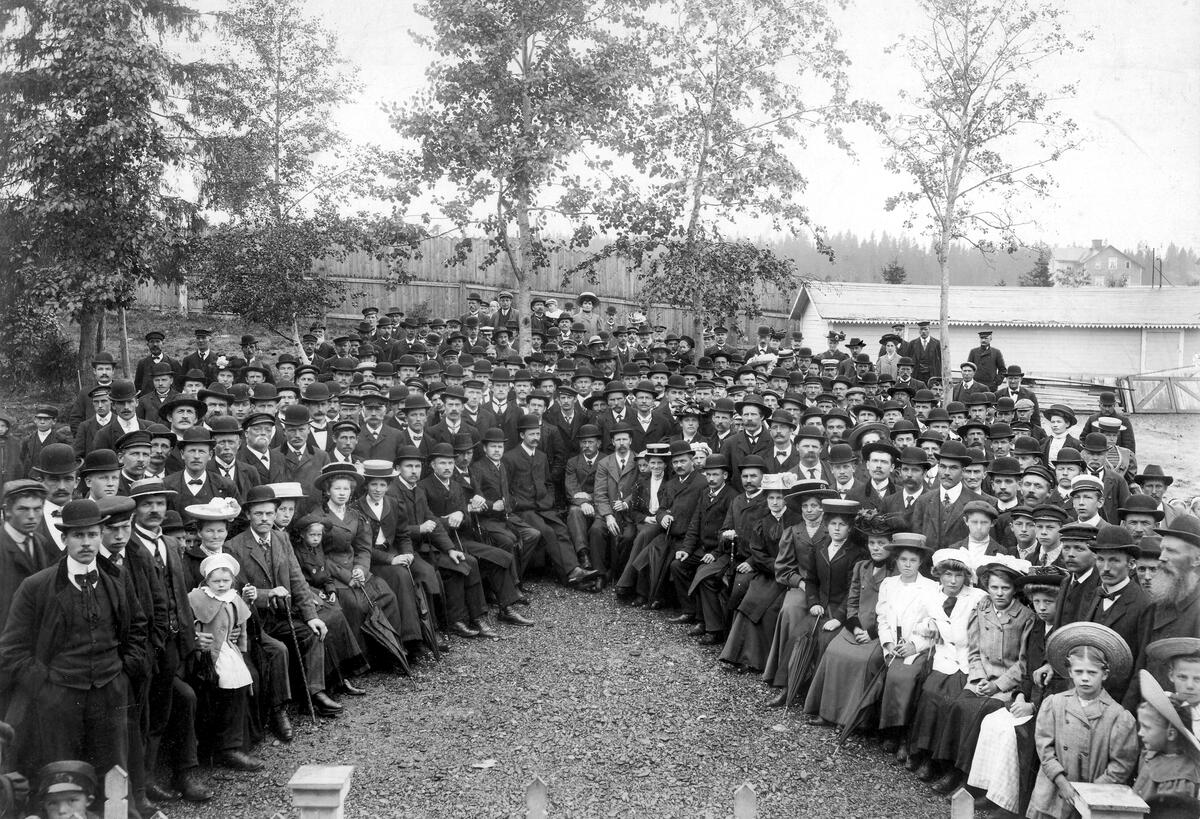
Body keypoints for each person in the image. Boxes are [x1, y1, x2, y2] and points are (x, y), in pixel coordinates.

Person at [0, 499, 149, 779]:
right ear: (64, 538)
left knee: (114, 774)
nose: (86, 542)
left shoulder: (117, 578)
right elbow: (12, 648)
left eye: (92, 534)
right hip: (59, 696)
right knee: (63, 775)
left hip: (110, 690)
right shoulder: (37, 586)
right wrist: (43, 686)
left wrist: (125, 672)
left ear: (100, 536)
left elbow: (137, 626)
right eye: (78, 535)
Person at [223, 486, 344, 718]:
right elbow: (237, 592)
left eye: (269, 513)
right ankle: (280, 712)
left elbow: (297, 580)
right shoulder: (234, 546)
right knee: (279, 650)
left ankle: (315, 693)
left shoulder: (281, 538)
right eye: (258, 513)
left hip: (284, 615)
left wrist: (311, 616)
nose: (264, 519)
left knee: (313, 633)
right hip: (257, 621)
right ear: (248, 515)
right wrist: (267, 594)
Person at [1027, 622, 1138, 819]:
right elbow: (1044, 747)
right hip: (1054, 790)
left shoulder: (1117, 716)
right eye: (1079, 672)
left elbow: (1121, 764)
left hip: (1094, 795)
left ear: (1105, 674)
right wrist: (1061, 781)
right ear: (1070, 672)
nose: (1085, 678)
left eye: (1092, 672)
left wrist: (1091, 792)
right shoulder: (1055, 704)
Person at [802, 512, 896, 731]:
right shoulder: (861, 567)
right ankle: (827, 712)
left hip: (880, 631)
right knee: (833, 651)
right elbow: (852, 601)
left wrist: (871, 633)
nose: (876, 548)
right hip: (856, 625)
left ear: (890, 545)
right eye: (872, 543)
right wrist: (854, 627)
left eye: (881, 543)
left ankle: (851, 719)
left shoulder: (895, 572)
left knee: (863, 662)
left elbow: (893, 611)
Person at [186, 552, 264, 772]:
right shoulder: (196, 598)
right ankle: (213, 748)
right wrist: (194, 637)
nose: (221, 585)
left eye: (225, 581)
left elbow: (241, 627)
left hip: (227, 651)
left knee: (239, 684)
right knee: (214, 692)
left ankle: (232, 746)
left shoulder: (233, 598)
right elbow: (186, 624)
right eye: (216, 581)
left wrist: (242, 649)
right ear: (207, 581)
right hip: (205, 655)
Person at [719, 473, 798, 674]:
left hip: (789, 577)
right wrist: (775, 566)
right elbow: (757, 552)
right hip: (768, 573)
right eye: (771, 498)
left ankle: (759, 660)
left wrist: (784, 569)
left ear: (786, 499)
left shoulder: (795, 521)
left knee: (768, 610)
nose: (775, 502)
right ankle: (738, 656)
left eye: (779, 498)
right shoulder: (762, 522)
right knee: (748, 603)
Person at [1132, 669, 1200, 801]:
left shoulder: (1180, 778)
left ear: (1171, 734)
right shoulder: (1150, 754)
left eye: (1147, 727)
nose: (1140, 733)